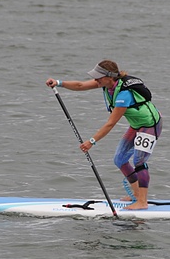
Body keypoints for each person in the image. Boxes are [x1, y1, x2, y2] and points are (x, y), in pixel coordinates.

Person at [46, 60, 163, 210]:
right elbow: (80, 85)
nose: (96, 80)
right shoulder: (105, 84)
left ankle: (142, 201)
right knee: (120, 160)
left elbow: (110, 123)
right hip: (136, 125)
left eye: (98, 77)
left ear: (110, 77)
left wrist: (91, 141)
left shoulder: (124, 95)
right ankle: (136, 194)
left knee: (139, 161)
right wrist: (58, 83)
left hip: (150, 125)